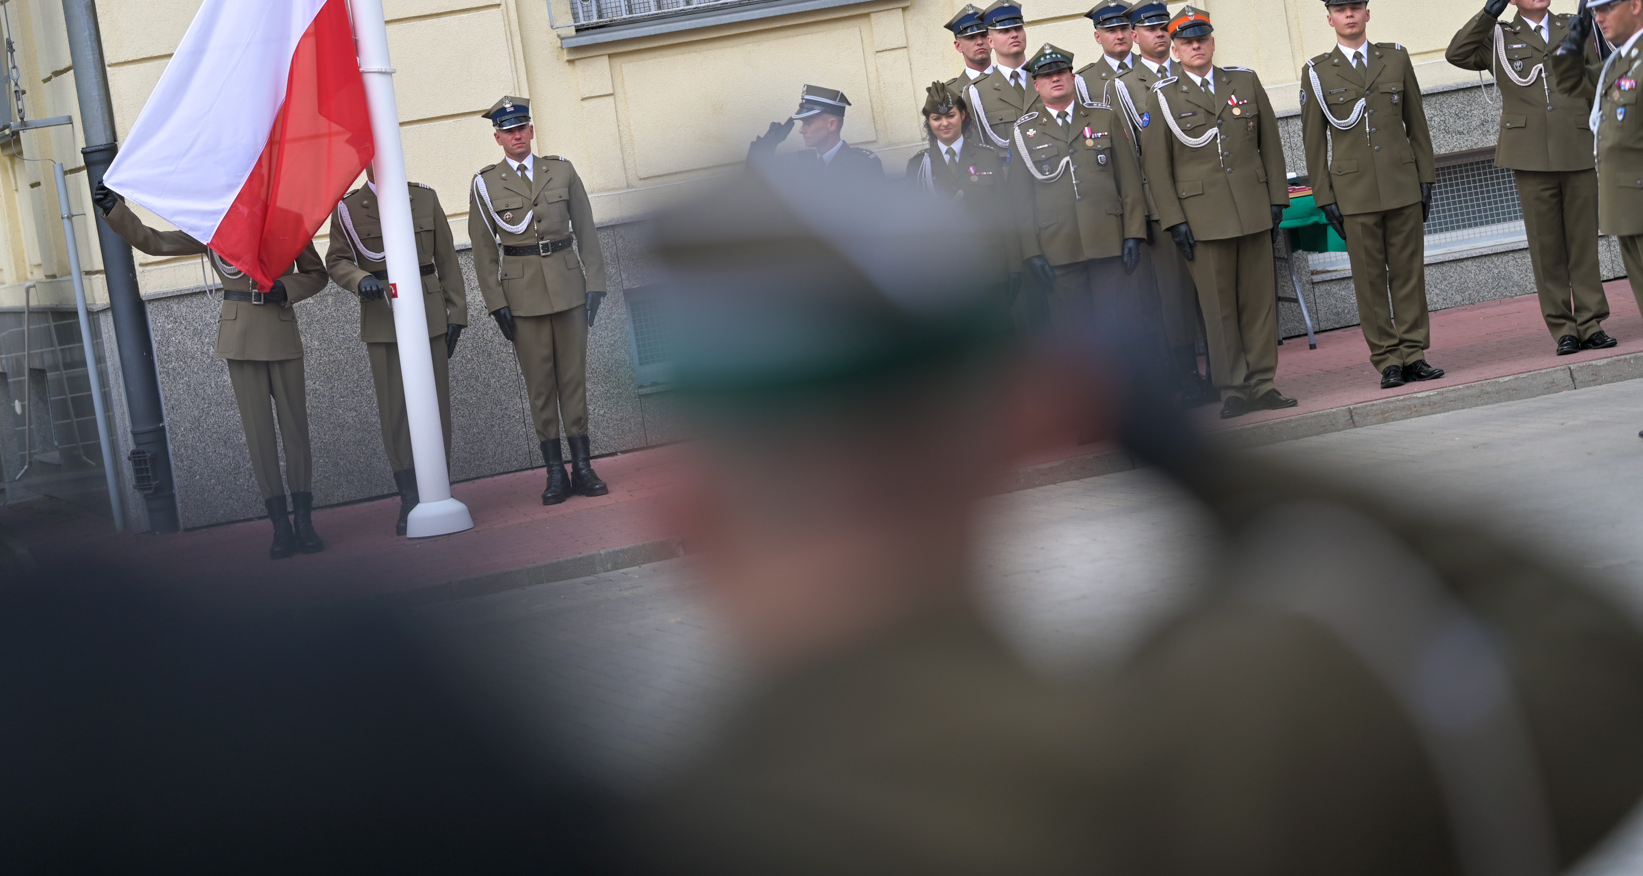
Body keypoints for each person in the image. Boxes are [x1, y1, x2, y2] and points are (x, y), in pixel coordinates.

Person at [632, 167, 1643, 876]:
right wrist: (1194, 457)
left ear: (685, 512)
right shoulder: (1248, 736)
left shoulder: (654, 836)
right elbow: (1596, 670)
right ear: (1024, 432)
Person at [88, 184, 330, 559]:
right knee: (260, 438)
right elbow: (155, 242)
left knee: (296, 432)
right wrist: (115, 209)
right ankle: (280, 526)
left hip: (281, 328)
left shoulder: (288, 221)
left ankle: (304, 520)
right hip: (240, 337)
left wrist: (285, 287)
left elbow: (316, 274)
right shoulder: (214, 226)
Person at [1447, 0, 1613, 355]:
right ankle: (1564, 328)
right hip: (1530, 154)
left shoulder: (1574, 26)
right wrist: (1487, 15)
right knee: (1546, 246)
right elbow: (1458, 54)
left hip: (1577, 145)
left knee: (1583, 242)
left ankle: (1591, 323)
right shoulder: (1499, 37)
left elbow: (1599, 80)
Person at [1141, 7, 1296, 418]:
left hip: (1252, 209)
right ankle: (1233, 389)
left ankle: (1263, 383)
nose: (1196, 46)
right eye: (1187, 42)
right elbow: (1156, 168)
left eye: (1202, 39)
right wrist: (1175, 221)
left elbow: (1270, 144)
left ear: (1212, 42)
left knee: (1259, 305)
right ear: (1175, 50)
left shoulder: (1243, 81)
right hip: (1203, 220)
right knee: (1219, 309)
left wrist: (1277, 199)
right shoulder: (1163, 96)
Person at [1301, 0, 1442, 391]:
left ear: (1367, 13)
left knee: (1408, 275)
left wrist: (1426, 178)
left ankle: (1414, 353)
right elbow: (1313, 141)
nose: (1349, 14)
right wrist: (1324, 196)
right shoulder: (1317, 72)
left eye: (1355, 7)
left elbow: (1417, 124)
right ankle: (1387, 360)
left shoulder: (1395, 58)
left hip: (1401, 184)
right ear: (1329, 19)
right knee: (1369, 280)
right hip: (1354, 193)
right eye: (1340, 9)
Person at [468, 96, 608, 505]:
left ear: (531, 130)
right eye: (508, 131)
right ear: (497, 138)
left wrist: (596, 283)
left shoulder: (561, 170)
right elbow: (483, 250)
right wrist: (496, 303)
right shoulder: (486, 183)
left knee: (573, 380)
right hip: (523, 296)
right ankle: (555, 472)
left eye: (521, 128)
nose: (517, 135)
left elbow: (586, 229)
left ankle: (582, 466)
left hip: (568, 289)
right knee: (541, 386)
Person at [326, 166, 468, 535]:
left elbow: (446, 259)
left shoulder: (423, 197)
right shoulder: (349, 208)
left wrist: (457, 313)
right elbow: (337, 260)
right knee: (395, 411)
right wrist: (360, 279)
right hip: (383, 317)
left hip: (428, 312)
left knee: (437, 404)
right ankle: (408, 497)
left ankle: (438, 486)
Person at [1553, 0, 1643, 435]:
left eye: (1608, 7)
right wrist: (1571, 46)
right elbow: (1571, 84)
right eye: (1596, 10)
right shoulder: (1618, 63)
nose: (1600, 17)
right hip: (1627, 208)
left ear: (1637, 5)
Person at [1115, 0, 1213, 405]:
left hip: (1204, 198)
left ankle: (1221, 372)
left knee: (1210, 293)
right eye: (1151, 28)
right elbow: (1132, 155)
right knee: (1174, 298)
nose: (1159, 33)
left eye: (1163, 27)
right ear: (1134, 35)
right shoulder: (1124, 85)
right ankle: (1186, 375)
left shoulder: (1192, 70)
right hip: (1161, 206)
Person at [1008, 44, 1147, 326]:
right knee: (1074, 332)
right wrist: (1031, 252)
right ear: (1036, 84)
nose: (1055, 78)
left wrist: (1134, 233)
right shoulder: (1024, 132)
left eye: (1061, 72)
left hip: (1109, 240)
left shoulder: (1104, 116)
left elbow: (1129, 182)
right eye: (1047, 75)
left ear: (1072, 77)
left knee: (1119, 326)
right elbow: (1020, 200)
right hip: (1058, 247)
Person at [906, 80, 1022, 281]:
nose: (944, 123)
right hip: (943, 273)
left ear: (963, 115)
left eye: (950, 115)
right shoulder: (918, 165)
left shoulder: (987, 157)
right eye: (936, 118)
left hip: (990, 268)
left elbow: (1005, 214)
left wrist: (1015, 267)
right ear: (929, 122)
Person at [750, 84, 885, 181]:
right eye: (802, 123)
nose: (801, 130)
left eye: (808, 123)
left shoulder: (862, 165)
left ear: (832, 124)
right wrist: (767, 144)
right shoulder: (800, 163)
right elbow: (755, 184)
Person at [959, 0, 1038, 148]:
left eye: (1018, 28)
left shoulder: (1048, 77)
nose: (1014, 34)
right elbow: (978, 148)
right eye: (1005, 30)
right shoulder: (978, 92)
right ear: (990, 41)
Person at [1074, 0, 1140, 106]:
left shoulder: (1150, 67)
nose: (1120, 36)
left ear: (1132, 32)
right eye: (1111, 31)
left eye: (1124, 28)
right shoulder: (1084, 81)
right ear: (1098, 37)